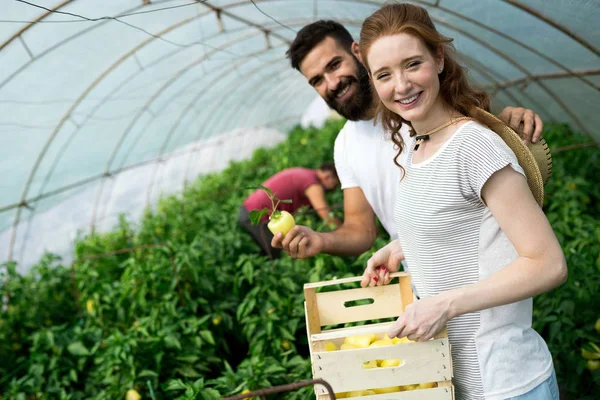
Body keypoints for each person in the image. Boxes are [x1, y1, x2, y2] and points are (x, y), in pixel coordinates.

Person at [357, 4, 567, 399]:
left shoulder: (473, 145)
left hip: (506, 383)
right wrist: (401, 247)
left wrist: (445, 305)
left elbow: (548, 264)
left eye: (412, 64)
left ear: (438, 59)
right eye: (384, 74)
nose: (400, 85)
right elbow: (469, 226)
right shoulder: (417, 147)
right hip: (457, 381)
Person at [274, 19, 545, 259]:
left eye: (334, 65)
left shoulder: (420, 107)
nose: (332, 83)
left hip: (483, 278)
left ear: (357, 52)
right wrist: (321, 239)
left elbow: (478, 142)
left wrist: (503, 123)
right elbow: (360, 229)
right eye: (317, 80)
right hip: (424, 289)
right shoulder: (345, 144)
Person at [238, 164, 340, 259]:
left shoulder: (307, 173)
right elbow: (327, 216)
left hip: (248, 208)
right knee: (276, 251)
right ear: (328, 176)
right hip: (257, 216)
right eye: (336, 184)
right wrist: (343, 232)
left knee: (264, 250)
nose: (334, 188)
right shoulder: (313, 185)